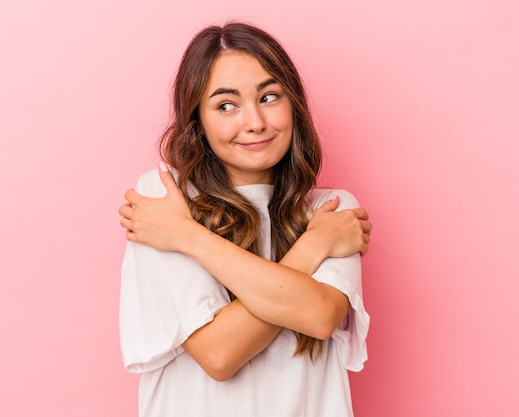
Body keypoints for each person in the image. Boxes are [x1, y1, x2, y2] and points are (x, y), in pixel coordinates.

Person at [118, 22, 372, 417]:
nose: (254, 122)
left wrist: (187, 237)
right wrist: (315, 246)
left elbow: (319, 316)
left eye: (269, 97)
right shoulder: (165, 200)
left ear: (294, 105)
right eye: (226, 105)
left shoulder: (331, 211)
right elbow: (219, 354)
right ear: (197, 121)